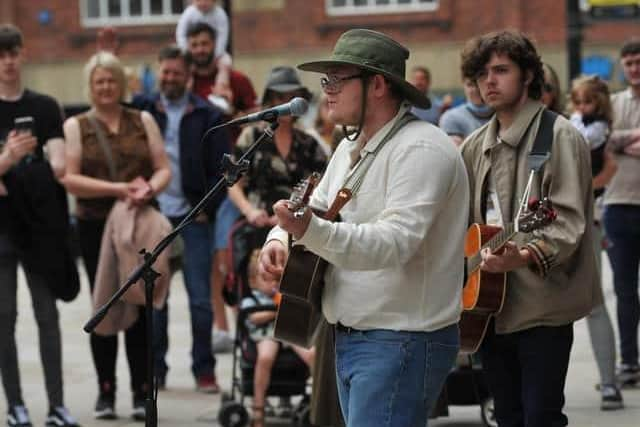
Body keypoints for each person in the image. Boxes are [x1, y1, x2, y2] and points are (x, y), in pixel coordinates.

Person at [259, 29, 469, 427]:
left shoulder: (422, 148)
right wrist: (279, 240)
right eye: (326, 81)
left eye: (338, 79)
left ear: (377, 84)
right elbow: (316, 209)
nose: (327, 91)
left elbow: (395, 244)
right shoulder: (351, 145)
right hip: (359, 336)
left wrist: (306, 232)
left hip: (400, 339)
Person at [459, 30, 600, 427]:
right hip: (487, 306)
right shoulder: (474, 145)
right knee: (507, 416)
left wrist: (521, 255)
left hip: (542, 306)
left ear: (528, 76)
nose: (489, 81)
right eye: (482, 72)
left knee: (541, 417)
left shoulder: (559, 135)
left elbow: (569, 221)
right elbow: (461, 223)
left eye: (501, 70)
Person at [62, 51, 171, 420]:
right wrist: (118, 188)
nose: (106, 87)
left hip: (139, 222)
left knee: (140, 303)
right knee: (104, 304)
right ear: (90, 87)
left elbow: (162, 168)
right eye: (99, 81)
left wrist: (148, 190)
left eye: (111, 80)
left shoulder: (142, 120)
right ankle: (105, 390)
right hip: (95, 226)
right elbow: (70, 178)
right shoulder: (77, 125)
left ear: (121, 84)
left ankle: (142, 390)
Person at [131, 44, 231, 392]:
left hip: (194, 219)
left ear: (188, 76)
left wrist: (208, 208)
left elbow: (225, 171)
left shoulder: (207, 115)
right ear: (158, 72)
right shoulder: (142, 110)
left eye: (176, 72)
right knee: (155, 298)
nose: (169, 78)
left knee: (201, 299)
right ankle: (156, 368)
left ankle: (204, 368)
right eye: (165, 72)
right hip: (155, 217)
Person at [0, 23, 80, 427]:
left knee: (47, 316)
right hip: (1, 232)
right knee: (5, 316)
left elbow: (60, 163)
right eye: (1, 54)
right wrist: (8, 158)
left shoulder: (46, 106)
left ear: (23, 55)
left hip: (39, 228)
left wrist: (56, 158)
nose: (8, 61)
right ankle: (14, 405)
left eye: (13, 52)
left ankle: (57, 405)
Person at [185, 21, 257, 351]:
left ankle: (237, 317)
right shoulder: (185, 81)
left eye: (205, 43)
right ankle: (221, 327)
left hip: (230, 180)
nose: (200, 49)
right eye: (195, 44)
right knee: (205, 266)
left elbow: (257, 117)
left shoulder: (237, 79)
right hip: (195, 185)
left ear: (215, 45)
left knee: (224, 254)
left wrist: (234, 110)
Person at [568, 75, 623, 409]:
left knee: (595, 305)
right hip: (567, 214)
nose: (580, 108)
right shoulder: (571, 123)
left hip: (589, 217)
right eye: (577, 101)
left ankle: (609, 381)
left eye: (586, 102)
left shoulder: (595, 128)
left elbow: (585, 151)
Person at [603, 38, 640, 387]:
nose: (634, 67)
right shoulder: (612, 103)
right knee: (625, 292)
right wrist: (633, 137)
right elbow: (603, 139)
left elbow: (615, 140)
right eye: (628, 62)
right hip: (618, 207)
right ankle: (629, 362)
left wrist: (621, 141)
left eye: (638, 61)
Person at [239, 273, 314, 427]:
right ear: (253, 281)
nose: (273, 284)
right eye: (266, 279)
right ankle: (258, 407)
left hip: (287, 330)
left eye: (277, 280)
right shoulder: (251, 299)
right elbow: (253, 318)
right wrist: (276, 309)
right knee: (265, 357)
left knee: (313, 354)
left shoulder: (284, 295)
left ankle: (318, 399)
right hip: (266, 334)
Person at [175, 0, 232, 107]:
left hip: (217, 52)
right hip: (190, 53)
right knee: (185, 68)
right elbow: (180, 34)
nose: (203, 2)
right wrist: (187, 52)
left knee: (226, 64)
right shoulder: (189, 13)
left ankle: (220, 90)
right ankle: (186, 93)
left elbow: (223, 35)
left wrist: (217, 54)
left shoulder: (220, 14)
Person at [438, 77, 493, 146]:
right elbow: (456, 154)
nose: (475, 90)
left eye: (479, 84)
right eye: (470, 85)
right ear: (464, 85)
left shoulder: (505, 114)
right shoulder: (451, 117)